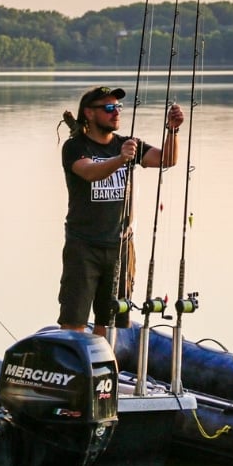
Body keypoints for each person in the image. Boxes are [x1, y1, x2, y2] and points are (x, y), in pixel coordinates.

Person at [57, 85, 183, 339]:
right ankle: (76, 370)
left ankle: (105, 372)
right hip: (83, 247)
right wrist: (121, 160)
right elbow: (90, 172)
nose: (116, 113)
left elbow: (167, 159)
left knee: (110, 321)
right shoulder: (75, 147)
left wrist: (172, 130)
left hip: (121, 248)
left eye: (118, 107)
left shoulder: (128, 144)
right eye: (109, 108)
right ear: (89, 114)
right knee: (74, 321)